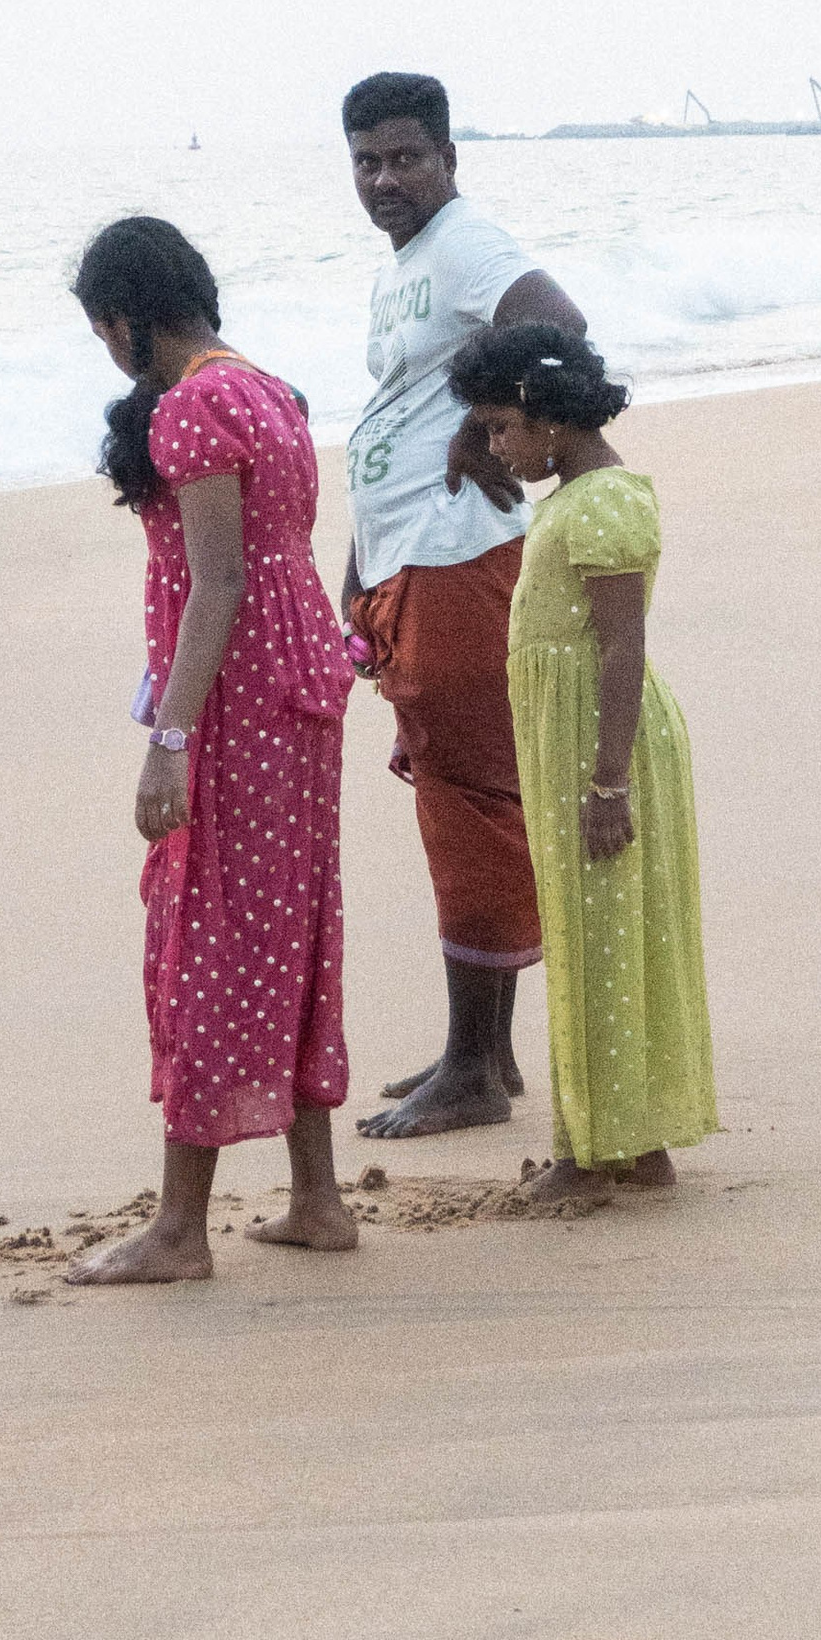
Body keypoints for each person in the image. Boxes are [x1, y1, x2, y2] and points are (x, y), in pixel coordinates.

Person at [65, 214, 362, 1285]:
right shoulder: (269, 391)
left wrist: (168, 739)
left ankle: (180, 1230)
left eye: (102, 329)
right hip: (302, 685)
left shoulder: (191, 409)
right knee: (291, 928)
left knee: (209, 935)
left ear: (128, 320)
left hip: (239, 696)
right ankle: (317, 1198)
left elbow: (216, 584)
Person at [337, 71, 589, 1139]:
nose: (386, 179)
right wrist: (358, 563)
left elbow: (559, 326)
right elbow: (398, 408)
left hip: (462, 557)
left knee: (470, 798)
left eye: (405, 157)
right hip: (410, 558)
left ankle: (478, 1074)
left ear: (447, 158)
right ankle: (474, 1051)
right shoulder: (411, 267)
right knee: (451, 791)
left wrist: (488, 428)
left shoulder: (468, 243)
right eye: (366, 161)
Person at [445, 318, 717, 1207]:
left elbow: (620, 647)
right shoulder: (569, 495)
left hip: (607, 748)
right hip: (575, 744)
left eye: (498, 428)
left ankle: (594, 1151)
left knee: (602, 940)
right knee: (593, 934)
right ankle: (628, 1145)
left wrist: (607, 782)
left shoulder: (603, 501)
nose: (493, 447)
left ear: (542, 414)